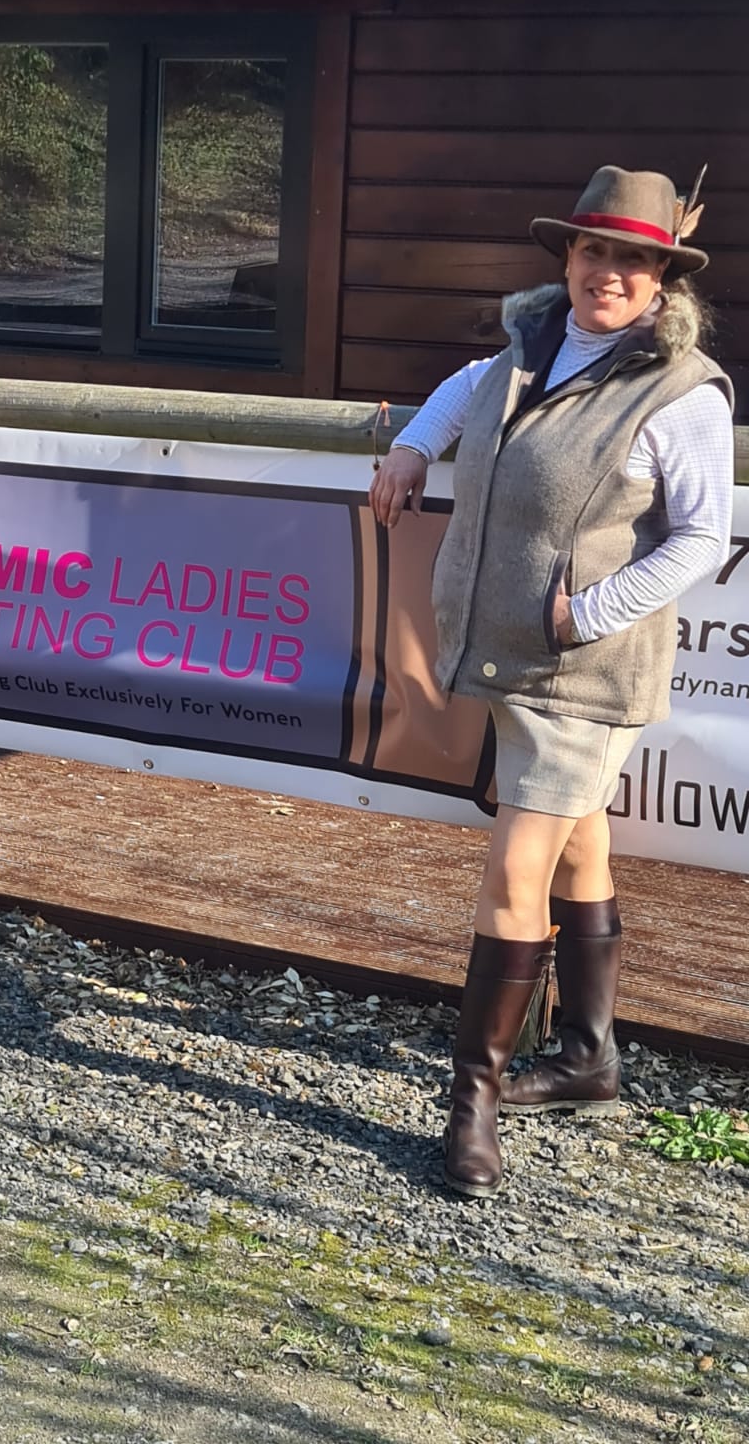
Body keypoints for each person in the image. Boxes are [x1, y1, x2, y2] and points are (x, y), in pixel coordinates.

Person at [368, 166, 734, 1199]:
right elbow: (464, 391)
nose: (608, 272)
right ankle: (587, 1056)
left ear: (663, 277)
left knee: (514, 874)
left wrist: (590, 612)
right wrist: (411, 447)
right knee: (580, 847)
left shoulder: (680, 391)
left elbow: (701, 536)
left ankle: (473, 1101)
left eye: (632, 260)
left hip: (582, 674)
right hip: (511, 657)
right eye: (593, 250)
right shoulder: (528, 348)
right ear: (567, 257)